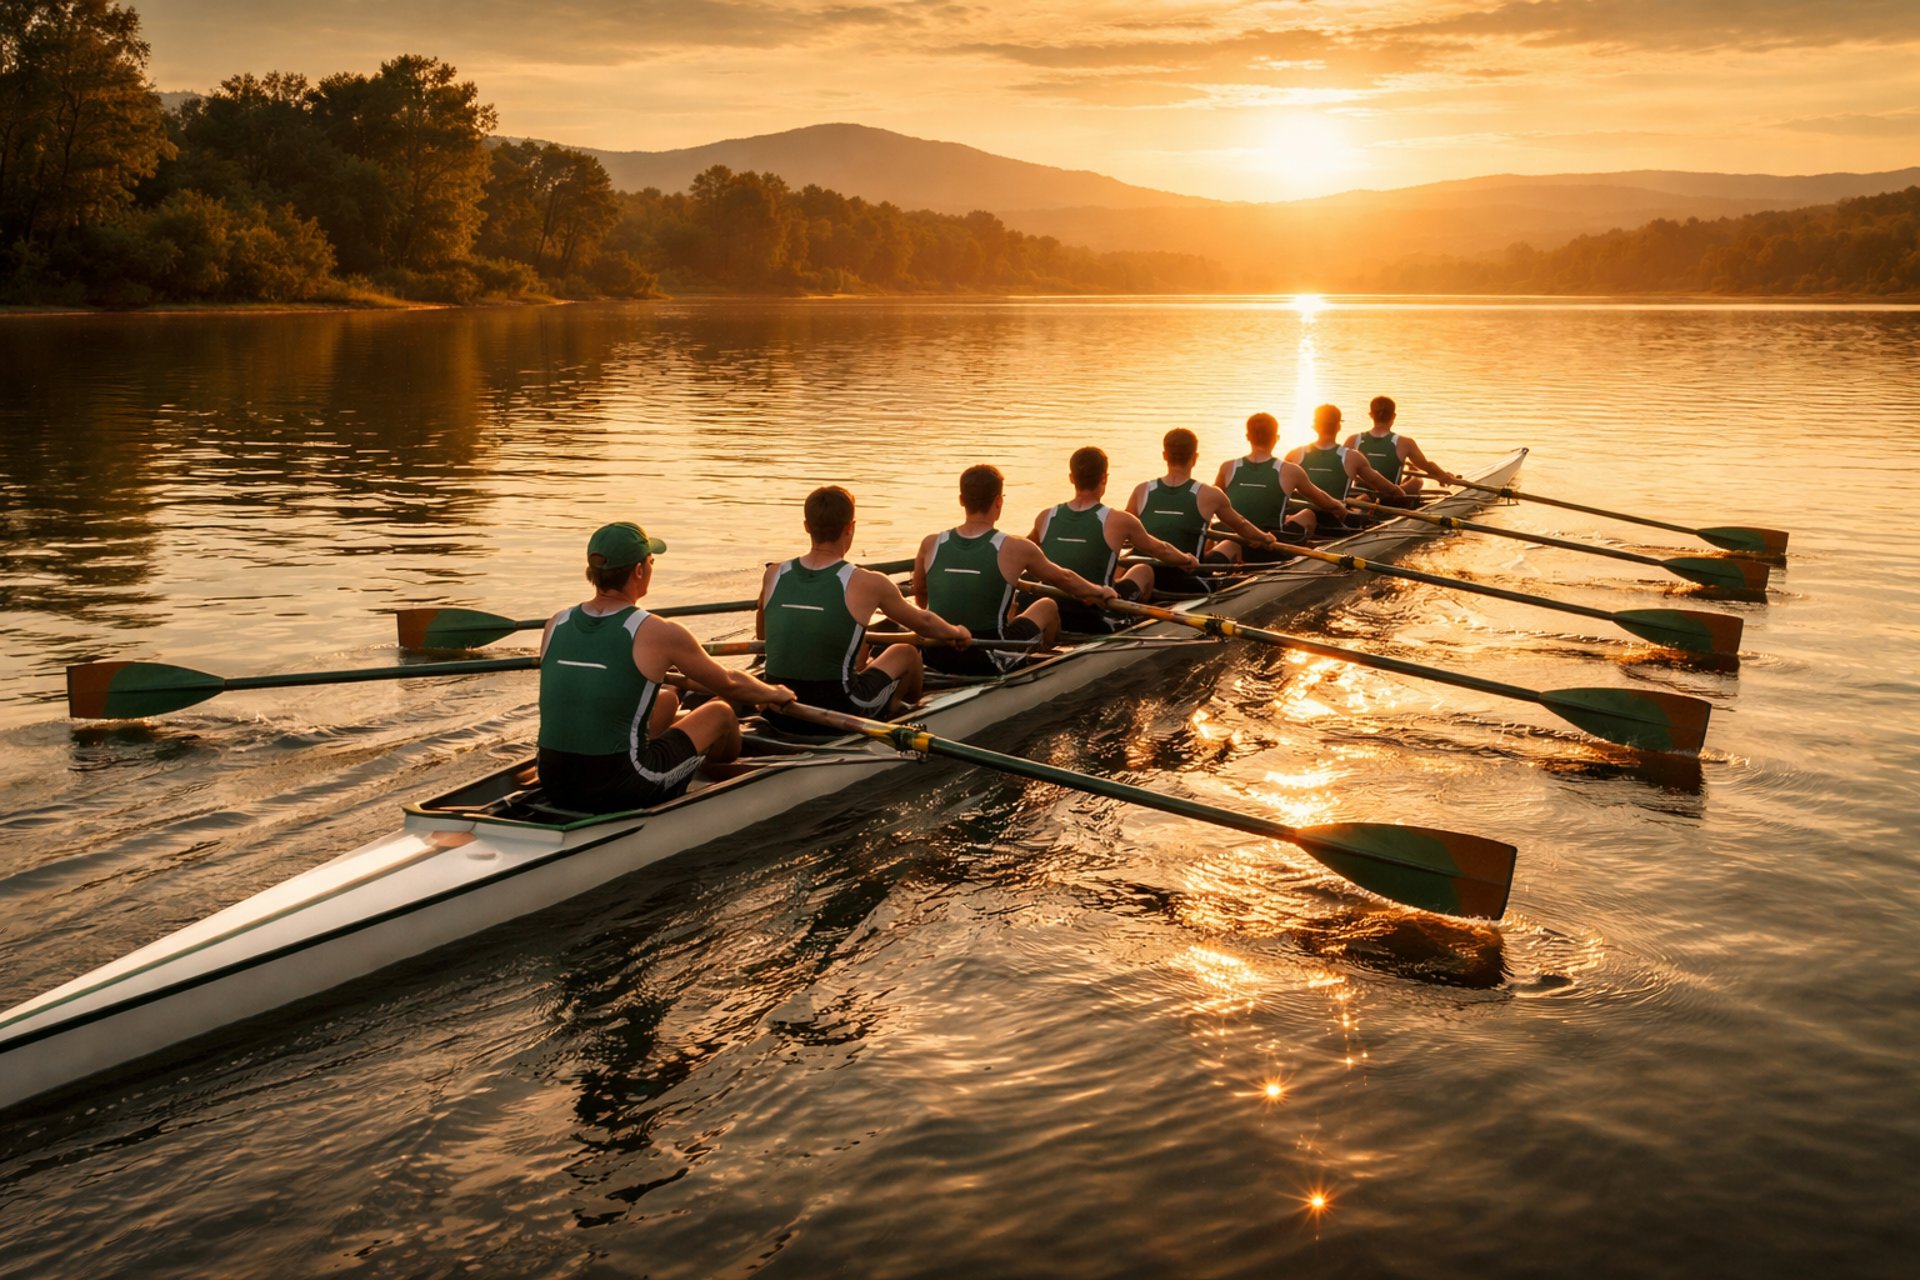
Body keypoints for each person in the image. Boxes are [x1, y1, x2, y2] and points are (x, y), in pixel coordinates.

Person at [537, 521, 793, 815]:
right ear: (638, 570)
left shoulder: (556, 623)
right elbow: (729, 683)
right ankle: (714, 768)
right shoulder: (658, 631)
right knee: (720, 711)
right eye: (651, 560)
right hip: (620, 786)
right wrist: (773, 693)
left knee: (667, 697)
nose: (651, 567)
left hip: (553, 780)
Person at [758, 485, 967, 729]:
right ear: (850, 527)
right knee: (906, 652)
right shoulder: (869, 582)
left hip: (776, 705)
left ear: (806, 526)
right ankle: (900, 712)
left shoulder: (773, 574)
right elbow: (925, 623)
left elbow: (764, 640)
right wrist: (957, 633)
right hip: (839, 709)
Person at [914, 463, 1118, 675]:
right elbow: (1064, 579)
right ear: (999, 501)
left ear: (961, 500)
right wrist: (1100, 591)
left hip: (934, 653)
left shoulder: (930, 544)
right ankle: (1047, 666)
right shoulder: (1017, 547)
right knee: (1047, 605)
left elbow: (920, 595)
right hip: (989, 656)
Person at [1029, 445, 1199, 632]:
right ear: (1104, 478)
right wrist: (1186, 559)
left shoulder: (1045, 517)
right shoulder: (1120, 520)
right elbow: (1161, 550)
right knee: (1144, 571)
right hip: (1095, 614)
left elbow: (1027, 553)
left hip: (1051, 609)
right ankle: (1133, 623)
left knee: (1127, 566)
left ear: (1071, 478)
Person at [1127, 427, 1280, 594]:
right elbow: (1241, 526)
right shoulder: (1210, 494)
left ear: (1164, 456)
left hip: (1142, 577)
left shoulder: (1141, 491)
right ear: (1195, 457)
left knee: (1230, 543)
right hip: (1185, 582)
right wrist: (1265, 537)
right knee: (1247, 577)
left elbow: (1125, 534)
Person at [1215, 411, 1357, 559]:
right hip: (1269, 545)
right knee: (1308, 514)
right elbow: (1323, 501)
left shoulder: (1227, 467)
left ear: (1247, 437)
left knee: (1223, 535)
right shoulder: (1290, 470)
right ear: (1276, 438)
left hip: (1233, 539)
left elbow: (1213, 505)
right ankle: (1306, 555)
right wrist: (1341, 508)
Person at [1286, 404, 1408, 520]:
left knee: (1362, 499)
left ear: (1315, 426)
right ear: (1339, 427)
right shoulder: (1353, 457)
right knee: (1365, 500)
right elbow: (1383, 486)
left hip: (1296, 512)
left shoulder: (1294, 454)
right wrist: (1400, 494)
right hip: (1334, 519)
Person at [1344, 396, 1464, 499]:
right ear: (1394, 416)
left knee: (1416, 479)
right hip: (1390, 499)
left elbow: (1339, 471)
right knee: (1417, 481)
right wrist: (1444, 476)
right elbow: (1428, 467)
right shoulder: (1405, 443)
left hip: (1357, 495)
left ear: (1371, 415)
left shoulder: (1353, 440)